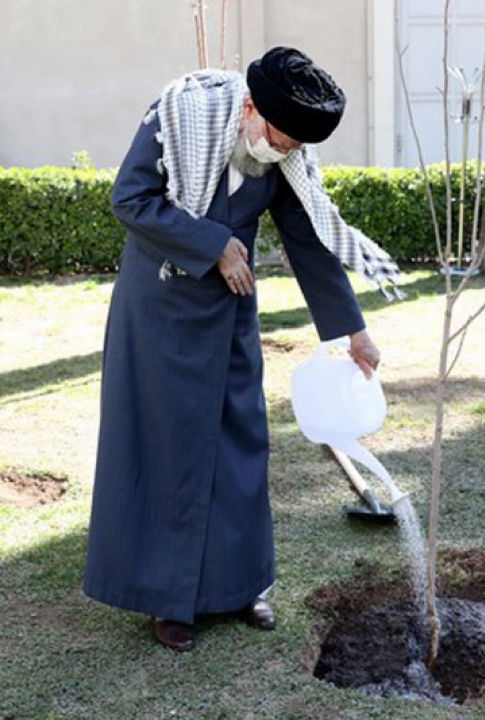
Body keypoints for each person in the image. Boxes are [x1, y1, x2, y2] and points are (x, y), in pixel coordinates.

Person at [82, 46, 403, 652]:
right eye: (280, 140)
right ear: (251, 107)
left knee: (240, 444)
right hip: (160, 311)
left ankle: (238, 588)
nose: (283, 154)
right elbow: (130, 199)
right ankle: (169, 602)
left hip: (230, 313)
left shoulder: (283, 154)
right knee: (171, 452)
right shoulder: (176, 116)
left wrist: (351, 330)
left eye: (294, 149)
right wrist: (214, 244)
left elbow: (307, 239)